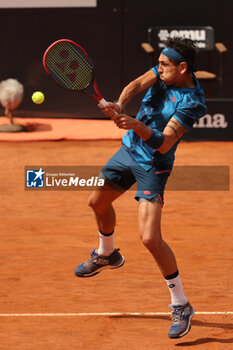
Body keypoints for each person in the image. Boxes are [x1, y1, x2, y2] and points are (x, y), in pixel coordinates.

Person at [74, 37, 207, 339]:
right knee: (97, 204)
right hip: (128, 152)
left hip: (154, 165)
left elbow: (165, 142)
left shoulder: (193, 102)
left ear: (182, 67)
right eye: (158, 63)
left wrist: (135, 125)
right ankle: (107, 254)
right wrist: (119, 104)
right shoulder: (162, 72)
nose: (158, 68)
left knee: (150, 238)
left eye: (164, 65)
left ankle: (181, 303)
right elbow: (136, 83)